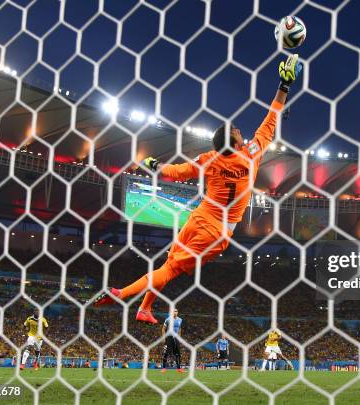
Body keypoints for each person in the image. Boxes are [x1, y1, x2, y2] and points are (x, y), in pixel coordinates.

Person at [94, 54, 303, 324]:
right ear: (235, 142)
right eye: (237, 131)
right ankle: (121, 293)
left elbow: (180, 171)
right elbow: (270, 121)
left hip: (198, 217)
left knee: (168, 265)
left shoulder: (209, 159)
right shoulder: (251, 155)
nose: (241, 131)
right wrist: (284, 85)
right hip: (216, 232)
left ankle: (144, 309)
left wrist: (156, 166)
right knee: (169, 271)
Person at [161, 308, 184, 373]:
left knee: (178, 354)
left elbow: (179, 329)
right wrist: (163, 338)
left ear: (177, 312)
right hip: (169, 337)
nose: (175, 312)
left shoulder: (180, 320)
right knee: (165, 353)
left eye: (176, 311)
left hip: (176, 338)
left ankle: (179, 369)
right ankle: (164, 368)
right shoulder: (168, 320)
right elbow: (163, 329)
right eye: (173, 311)